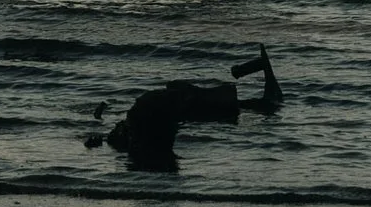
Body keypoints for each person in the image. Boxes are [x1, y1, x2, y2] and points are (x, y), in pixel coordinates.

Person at [86, 46, 280, 171]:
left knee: (203, 107)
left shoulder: (137, 142)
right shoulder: (143, 142)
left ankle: (259, 100)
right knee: (206, 108)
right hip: (165, 115)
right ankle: (260, 100)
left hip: (164, 115)